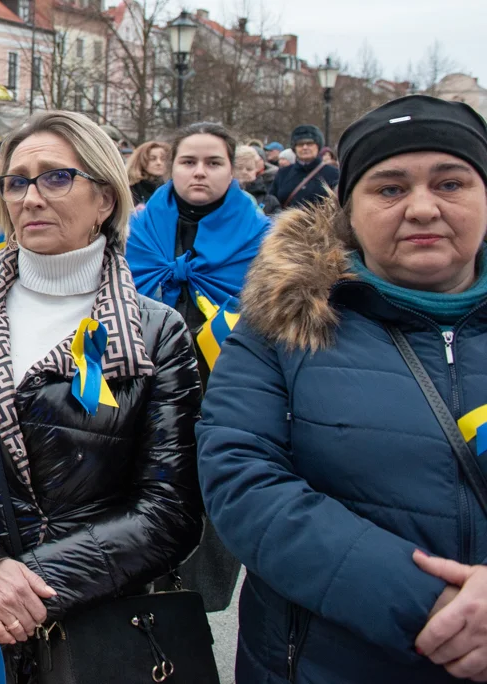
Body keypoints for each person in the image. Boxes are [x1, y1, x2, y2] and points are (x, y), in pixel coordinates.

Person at [0, 111, 205, 683]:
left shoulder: (157, 332)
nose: (30, 197)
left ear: (104, 199)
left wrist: (27, 585)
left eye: (55, 177)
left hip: (91, 627)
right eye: (17, 181)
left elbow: (169, 510)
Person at [197, 95, 487, 684]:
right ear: (348, 211)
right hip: (321, 660)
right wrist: (427, 603)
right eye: (389, 188)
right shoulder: (279, 324)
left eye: (451, 183)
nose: (423, 208)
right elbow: (242, 478)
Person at [125, 122, 270, 613]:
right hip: (143, 390)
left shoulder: (264, 240)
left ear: (234, 169)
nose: (200, 172)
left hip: (226, 394)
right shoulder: (138, 228)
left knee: (210, 498)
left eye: (213, 163)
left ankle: (193, 606)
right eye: (189, 162)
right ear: (171, 166)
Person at [271, 124, 340, 209]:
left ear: (318, 146)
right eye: (300, 144)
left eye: (309, 143)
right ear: (294, 148)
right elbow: (272, 202)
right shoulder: (283, 173)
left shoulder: (333, 174)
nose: (305, 147)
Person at [235, 145, 281, 216]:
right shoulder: (220, 196)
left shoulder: (270, 201)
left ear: (256, 170)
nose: (244, 172)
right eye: (239, 168)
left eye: (249, 169)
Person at [126, 140, 170, 206]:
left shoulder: (172, 186)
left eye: (163, 159)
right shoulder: (131, 188)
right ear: (141, 161)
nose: (159, 162)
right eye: (152, 159)